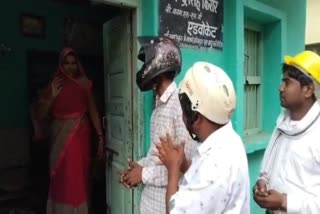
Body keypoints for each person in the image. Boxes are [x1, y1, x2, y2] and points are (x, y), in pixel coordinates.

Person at [156, 62, 250, 214]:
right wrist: (184, 165)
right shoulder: (230, 140)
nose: (182, 116)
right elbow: (203, 188)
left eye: (184, 110)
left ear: (196, 117)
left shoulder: (215, 165)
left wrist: (173, 169)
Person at [119, 37, 195, 214]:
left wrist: (142, 174)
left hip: (166, 207)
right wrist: (137, 168)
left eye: (146, 62)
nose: (143, 68)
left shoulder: (179, 106)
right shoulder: (159, 107)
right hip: (150, 204)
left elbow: (184, 168)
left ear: (158, 63)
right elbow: (155, 156)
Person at [32, 48, 104, 214]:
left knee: (78, 178)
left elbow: (93, 110)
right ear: (61, 64)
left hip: (80, 138)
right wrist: (52, 96)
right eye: (67, 63)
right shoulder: (54, 83)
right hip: (59, 137)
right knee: (60, 177)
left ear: (77, 65)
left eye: (73, 63)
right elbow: (40, 114)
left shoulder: (85, 83)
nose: (70, 67)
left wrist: (100, 136)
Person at [253, 51, 320, 214]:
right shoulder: (283, 123)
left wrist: (284, 201)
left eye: (287, 83)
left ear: (308, 90)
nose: (280, 88)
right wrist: (262, 182)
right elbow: (269, 168)